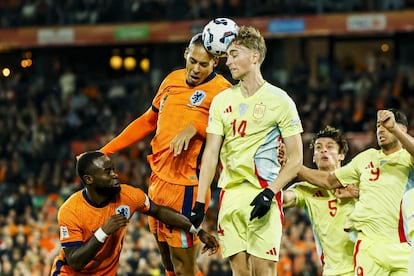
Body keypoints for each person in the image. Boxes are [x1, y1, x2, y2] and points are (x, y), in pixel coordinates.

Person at [99, 33, 232, 276]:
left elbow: (230, 130)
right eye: (192, 60)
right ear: (185, 54)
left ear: (216, 62)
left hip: (185, 186)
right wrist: (107, 150)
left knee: (184, 268)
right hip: (157, 180)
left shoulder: (223, 90)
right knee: (168, 264)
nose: (195, 69)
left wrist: (196, 128)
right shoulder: (172, 80)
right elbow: (148, 121)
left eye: (203, 64)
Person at [190, 25, 303, 275]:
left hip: (262, 193)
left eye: (234, 54)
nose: (227, 61)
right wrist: (200, 203)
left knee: (263, 272)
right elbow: (210, 154)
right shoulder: (221, 101)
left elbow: (296, 160)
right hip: (229, 198)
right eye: (227, 55)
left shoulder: (280, 100)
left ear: (255, 57)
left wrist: (271, 193)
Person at [50, 151, 219, 276]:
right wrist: (103, 232)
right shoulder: (70, 210)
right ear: (89, 180)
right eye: (107, 172)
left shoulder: (128, 195)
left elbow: (159, 211)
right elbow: (75, 262)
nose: (115, 175)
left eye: (113, 169)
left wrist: (198, 231)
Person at [298, 108, 414, 275]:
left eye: (386, 124)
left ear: (402, 129)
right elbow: (328, 180)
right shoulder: (366, 158)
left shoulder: (407, 159)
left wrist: (393, 127)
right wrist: (294, 166)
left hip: (402, 246)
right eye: (378, 125)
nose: (381, 129)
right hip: (368, 246)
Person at [283, 126, 356, 276]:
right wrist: (277, 168)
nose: (323, 150)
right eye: (318, 148)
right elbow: (282, 199)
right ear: (313, 157)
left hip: (367, 265)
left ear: (342, 155)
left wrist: (293, 164)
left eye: (330, 147)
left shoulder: (357, 179)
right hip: (333, 271)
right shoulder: (305, 189)